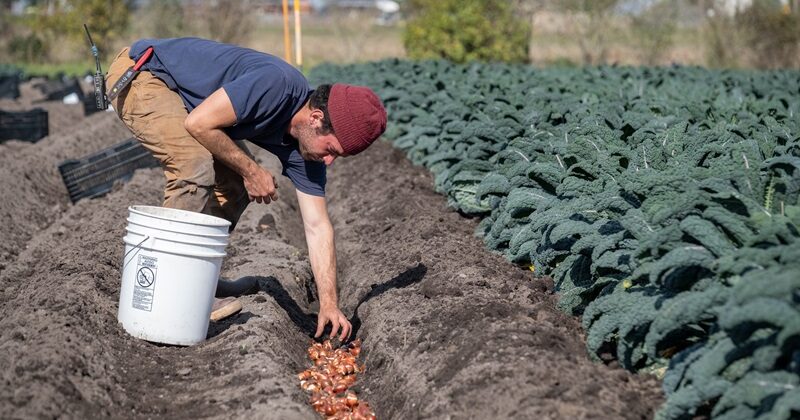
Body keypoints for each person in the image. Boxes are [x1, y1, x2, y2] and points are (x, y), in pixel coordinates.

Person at [106, 37, 387, 341]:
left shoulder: (307, 152)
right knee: (194, 166)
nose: (329, 160)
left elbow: (318, 226)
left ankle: (200, 280)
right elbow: (199, 124)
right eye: (331, 149)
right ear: (316, 119)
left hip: (188, 99)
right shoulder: (276, 86)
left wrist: (329, 304)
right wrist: (252, 170)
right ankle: (172, 289)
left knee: (234, 183)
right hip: (146, 74)